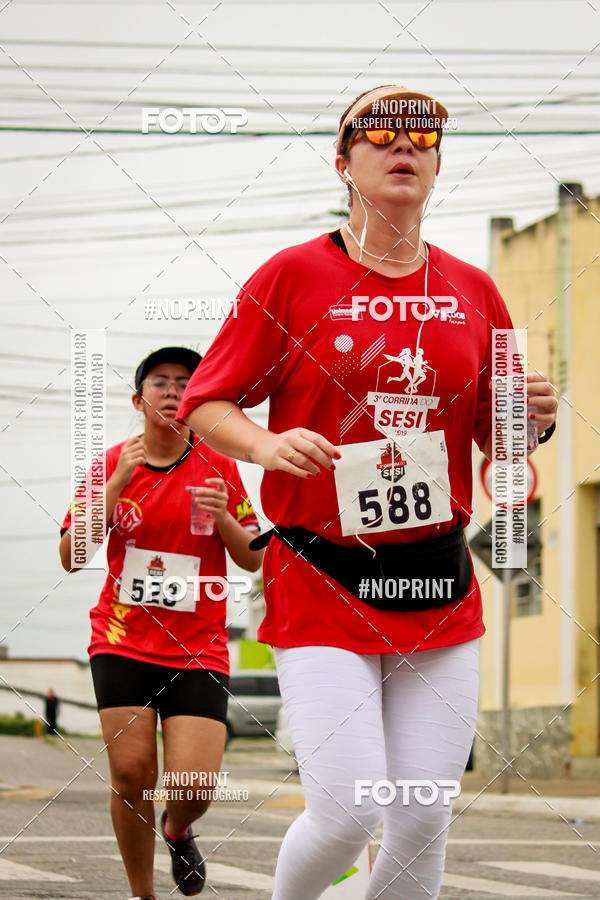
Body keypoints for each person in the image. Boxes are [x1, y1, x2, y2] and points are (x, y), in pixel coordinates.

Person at [176, 85, 558, 899]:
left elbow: (501, 437)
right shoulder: (291, 277)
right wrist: (268, 443)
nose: (404, 146)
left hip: (436, 584)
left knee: (423, 815)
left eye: (422, 137)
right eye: (379, 134)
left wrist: (533, 419)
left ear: (438, 163)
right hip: (320, 575)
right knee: (350, 809)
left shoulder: (473, 291)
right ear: (344, 162)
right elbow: (205, 401)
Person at [59, 346, 263, 900]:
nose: (172, 392)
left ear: (197, 399)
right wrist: (115, 485)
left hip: (197, 645)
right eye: (160, 382)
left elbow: (253, 557)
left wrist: (223, 514)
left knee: (193, 784)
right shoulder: (110, 464)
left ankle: (178, 826)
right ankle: (141, 893)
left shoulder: (219, 465)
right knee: (130, 774)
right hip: (123, 639)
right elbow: (72, 554)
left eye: (183, 383)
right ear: (138, 398)